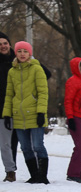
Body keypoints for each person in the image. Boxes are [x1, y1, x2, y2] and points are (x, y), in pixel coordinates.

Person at [2, 41, 49, 184]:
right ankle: (34, 175)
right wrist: (7, 114)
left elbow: (43, 92)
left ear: (30, 53)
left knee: (38, 145)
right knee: (25, 147)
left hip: (34, 113)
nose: (22, 54)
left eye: (25, 51)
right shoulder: (12, 71)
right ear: (15, 53)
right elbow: (9, 94)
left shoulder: (37, 69)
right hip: (18, 115)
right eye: (19, 51)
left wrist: (41, 112)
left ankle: (42, 176)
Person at [0, 31, 17, 182]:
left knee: (6, 144)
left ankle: (10, 171)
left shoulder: (18, 61)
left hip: (12, 109)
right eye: (0, 44)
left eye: (5, 43)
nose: (3, 46)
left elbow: (45, 73)